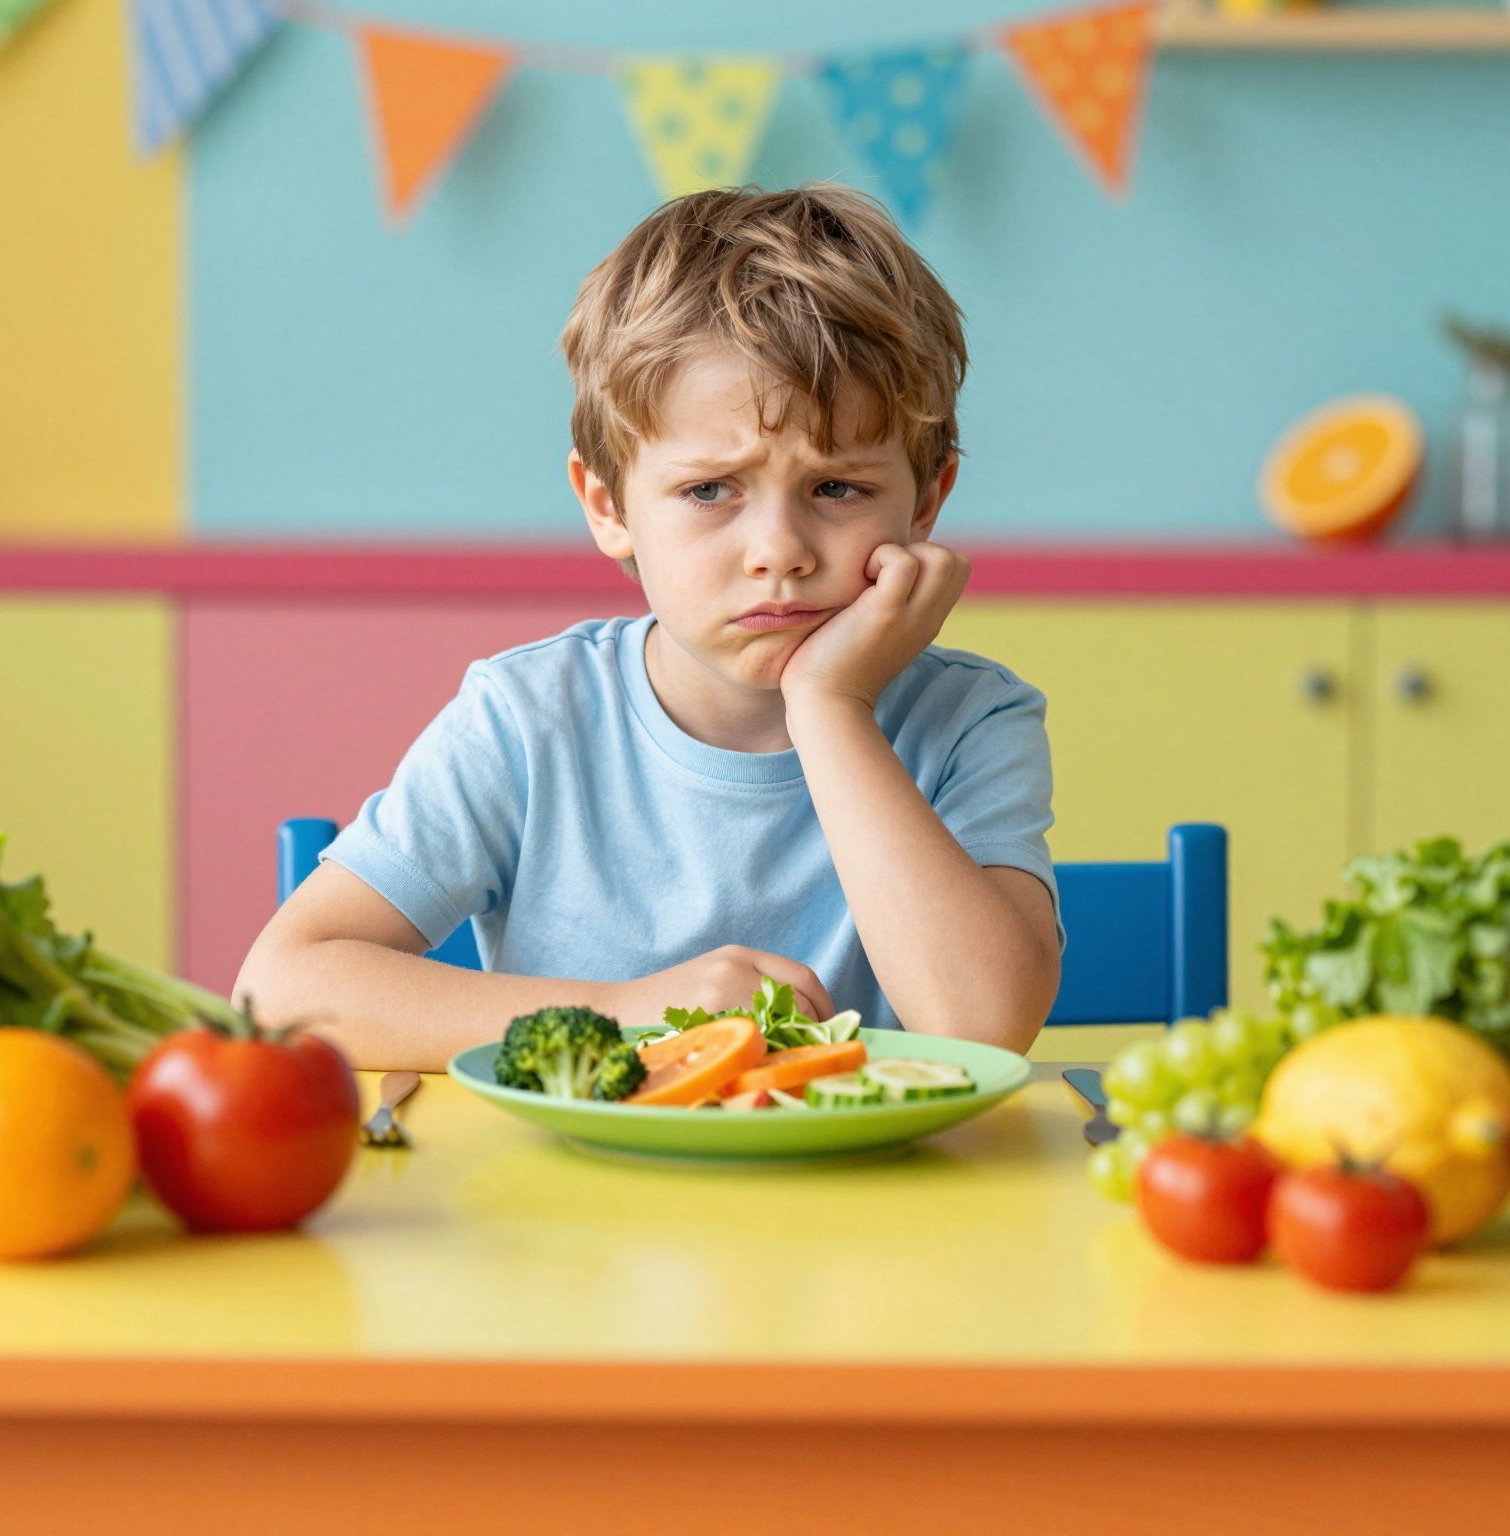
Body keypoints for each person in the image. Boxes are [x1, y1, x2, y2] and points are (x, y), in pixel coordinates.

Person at [236, 183, 1062, 1071]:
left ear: (926, 501)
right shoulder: (528, 719)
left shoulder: (971, 721)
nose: (778, 551)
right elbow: (282, 991)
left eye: (837, 488)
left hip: (869, 1204)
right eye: (711, 490)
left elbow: (981, 1023)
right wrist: (628, 1010)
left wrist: (830, 705)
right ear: (608, 505)